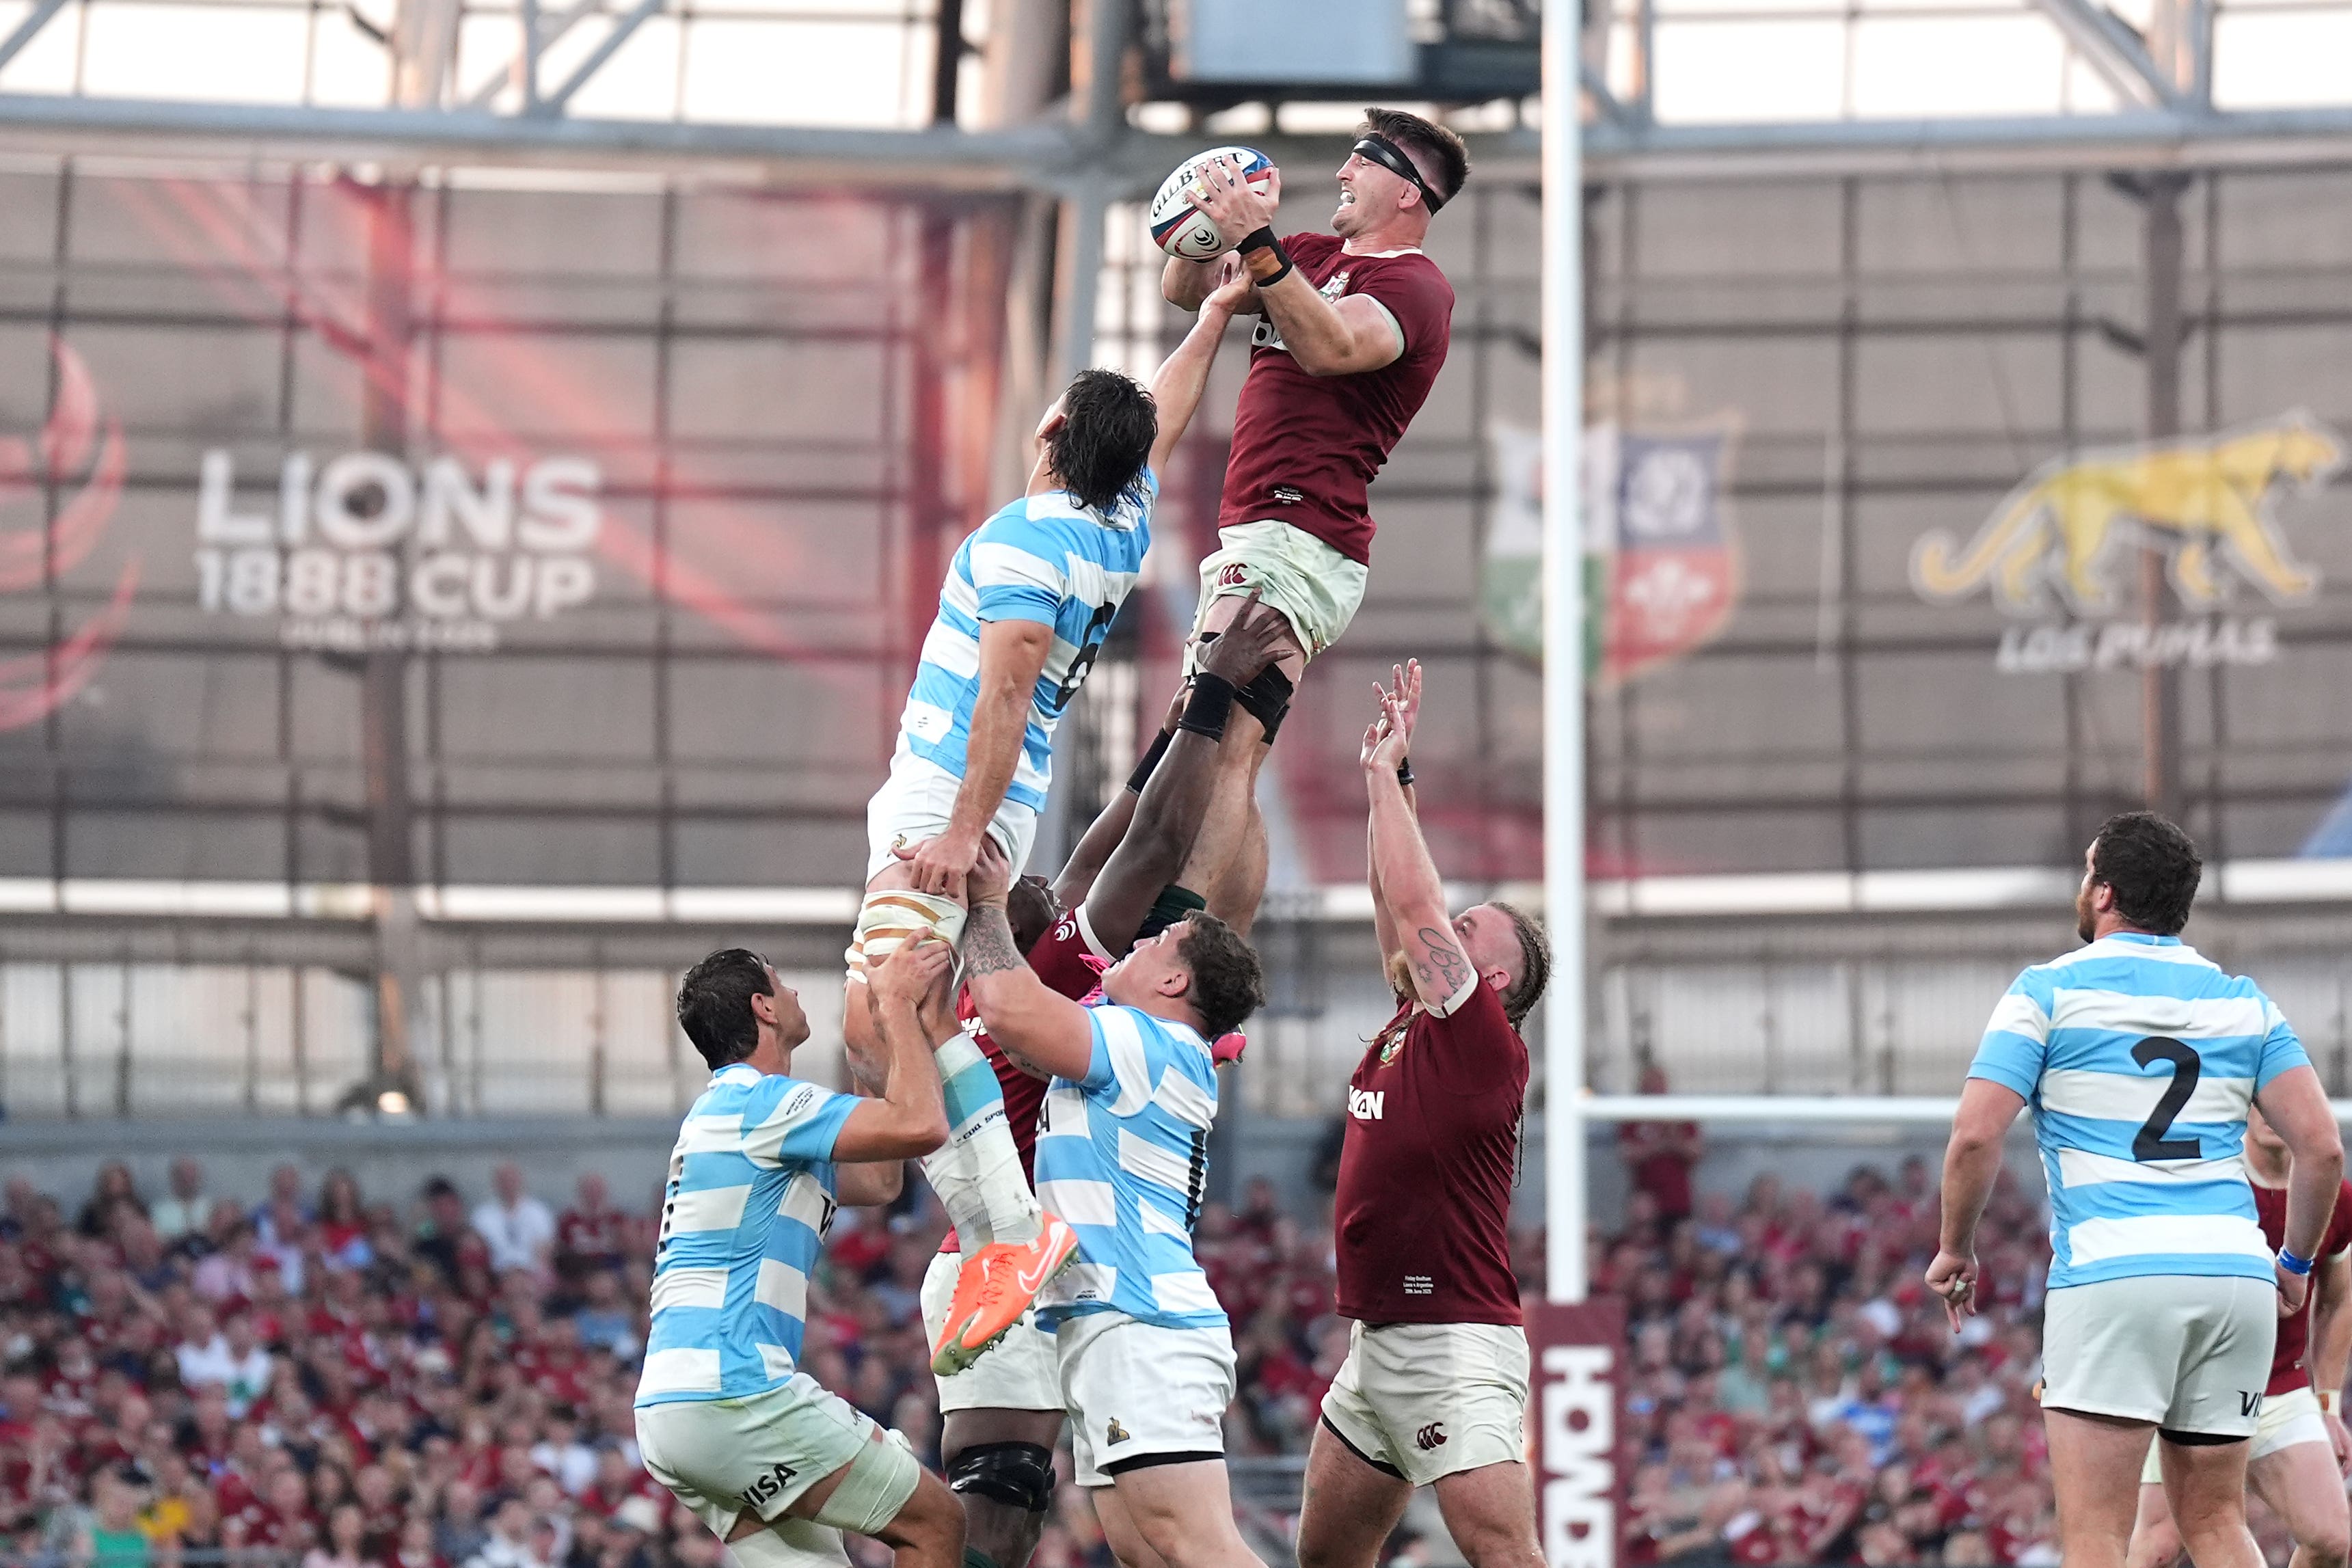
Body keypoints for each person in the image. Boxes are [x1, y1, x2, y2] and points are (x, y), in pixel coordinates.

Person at [842, 278, 1256, 1385]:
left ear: (1053, 429)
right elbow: (1163, 412)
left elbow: (1007, 690)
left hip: (949, 797)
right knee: (906, 1019)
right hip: (968, 796)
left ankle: (1008, 1232)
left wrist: (958, 830)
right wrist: (1210, 321)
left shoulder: (1027, 540)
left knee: (880, 1017)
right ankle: (996, 1223)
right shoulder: (1116, 524)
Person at [905, 595, 1290, 1568]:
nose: (1045, 880)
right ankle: (1254, 722)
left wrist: (1188, 714)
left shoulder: (1069, 986)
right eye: (1025, 889)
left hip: (1091, 1287)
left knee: (1141, 1532)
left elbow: (1115, 838)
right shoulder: (1050, 970)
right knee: (1038, 1509)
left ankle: (1251, 724)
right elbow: (1138, 847)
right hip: (1027, 1268)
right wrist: (1212, 698)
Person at [1927, 810, 2345, 1568]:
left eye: (2089, 870)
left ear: (2105, 892)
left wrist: (1955, 1246)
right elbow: (2320, 1147)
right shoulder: (2241, 1000)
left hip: (2113, 1277)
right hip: (2233, 1277)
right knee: (2216, 1522)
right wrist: (2293, 1262)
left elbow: (1976, 1136)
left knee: (2098, 1535)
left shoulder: (2046, 992)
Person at [1160, 107, 1471, 932]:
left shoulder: (1416, 287)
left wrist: (1259, 243)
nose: (1341, 172)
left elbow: (1332, 345)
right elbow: (1185, 288)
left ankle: (1178, 943)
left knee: (1216, 741)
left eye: (1361, 161)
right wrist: (1202, 217)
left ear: (1407, 192)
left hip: (1302, 536)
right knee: (1218, 749)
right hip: (1259, 534)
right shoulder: (1306, 255)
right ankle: (1214, 952)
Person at [1288, 662, 1551, 1568]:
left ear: (1495, 978)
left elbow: (1411, 898)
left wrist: (1377, 778)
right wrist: (1395, 776)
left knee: (1504, 1554)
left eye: (1466, 927)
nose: (1444, 928)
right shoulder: (1415, 1017)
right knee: (1326, 1558)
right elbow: (1388, 895)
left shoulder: (1482, 1039)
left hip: (1452, 1342)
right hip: (1377, 1342)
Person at [960, 835, 1269, 1568]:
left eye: (1158, 943)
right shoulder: (1142, 1041)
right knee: (1144, 1550)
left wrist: (985, 905)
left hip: (1142, 1326)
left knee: (1195, 1545)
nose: (1140, 942)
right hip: (1112, 1325)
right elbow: (1021, 1042)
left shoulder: (1144, 1040)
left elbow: (1006, 1008)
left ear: (1174, 982)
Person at [634, 941, 964, 1568]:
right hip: (734, 1393)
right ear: (763, 1007)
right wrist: (897, 1004)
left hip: (674, 1413)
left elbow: (881, 1180)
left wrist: (868, 1044)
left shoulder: (731, 1117)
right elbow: (922, 1124)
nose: (794, 992)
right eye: (781, 982)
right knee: (935, 1522)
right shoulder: (762, 1104)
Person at [2125, 1102, 2352, 1568]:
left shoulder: (2334, 1194)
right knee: (2156, 1550)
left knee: (2331, 1541)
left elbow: (2337, 1300)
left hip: (2279, 1387)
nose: (2272, 1114)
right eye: (2261, 1102)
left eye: (2283, 1101)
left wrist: (2328, 1403)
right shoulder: (2208, 1181)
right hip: (2193, 1388)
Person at [1619, 1064, 1701, 1224]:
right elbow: (1627, 1154)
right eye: (1650, 1084)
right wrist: (1659, 1145)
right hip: (1645, 1202)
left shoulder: (1680, 1116)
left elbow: (1696, 1153)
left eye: (1658, 1084)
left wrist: (1673, 1138)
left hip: (1678, 1200)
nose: (1655, 1089)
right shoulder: (1633, 1118)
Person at [473, 1163, 556, 1277]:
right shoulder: (482, 1216)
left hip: (531, 1275)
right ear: (495, 1184)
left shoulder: (539, 1212)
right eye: (503, 1180)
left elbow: (545, 1250)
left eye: (512, 1180)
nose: (508, 1185)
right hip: (495, 1275)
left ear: (521, 1181)